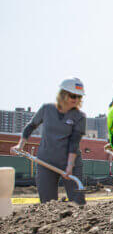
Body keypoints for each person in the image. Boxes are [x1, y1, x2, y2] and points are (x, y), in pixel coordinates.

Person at [13, 77, 87, 205]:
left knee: (78, 202)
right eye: (73, 96)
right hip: (45, 162)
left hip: (71, 164)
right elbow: (30, 126)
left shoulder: (80, 117)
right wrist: (20, 145)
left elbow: (74, 143)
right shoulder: (47, 109)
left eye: (79, 97)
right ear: (63, 95)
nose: (76, 100)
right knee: (47, 204)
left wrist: (69, 166)